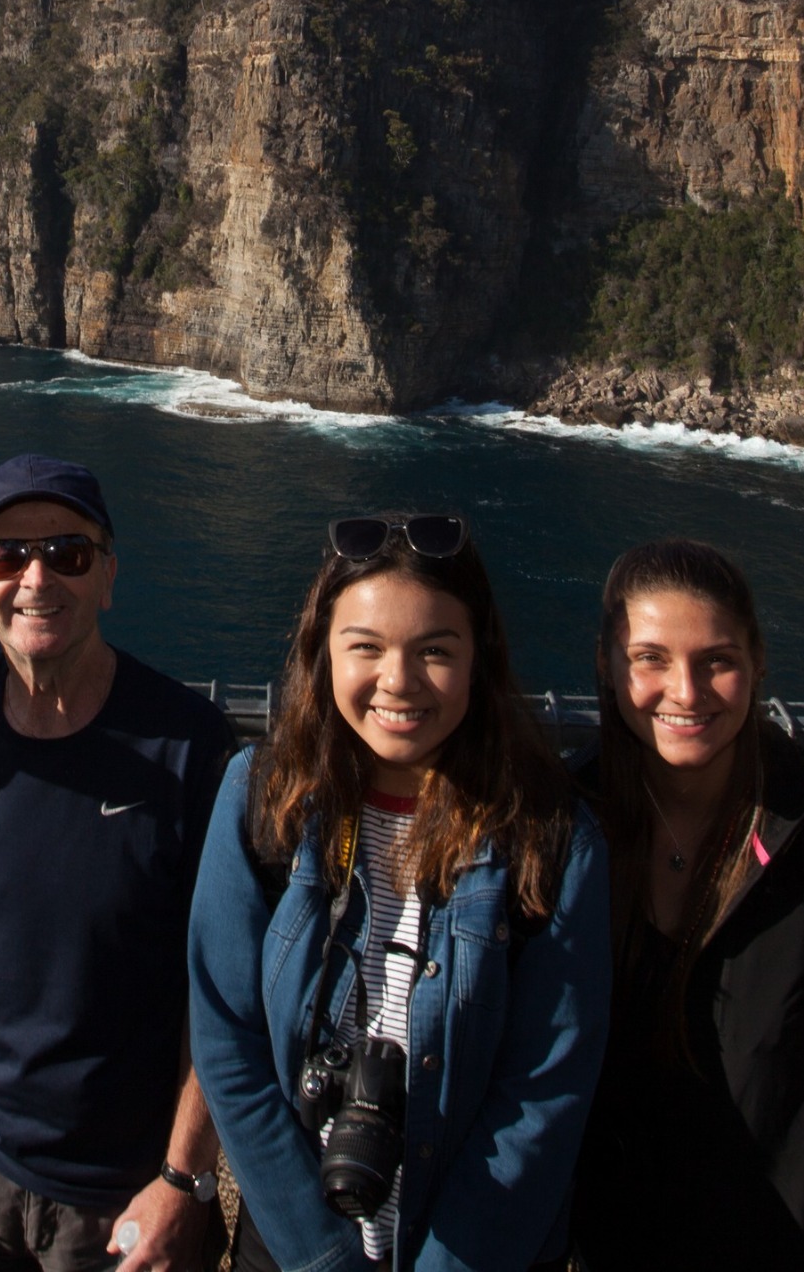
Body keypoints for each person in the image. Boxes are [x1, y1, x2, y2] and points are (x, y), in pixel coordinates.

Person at [187, 512, 611, 1272]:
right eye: (366, 648)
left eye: (435, 652)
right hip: (293, 1247)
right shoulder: (265, 800)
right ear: (323, 654)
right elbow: (228, 1045)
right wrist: (323, 1260)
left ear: (480, 658)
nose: (399, 681)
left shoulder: (548, 836)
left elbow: (544, 1095)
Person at [0, 455, 236, 1272]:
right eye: (6, 557)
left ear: (108, 577)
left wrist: (182, 1179)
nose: (36, 579)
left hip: (121, 1196)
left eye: (68, 554)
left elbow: (222, 980)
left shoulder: (191, 745)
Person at [572, 540, 804, 1272]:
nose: (687, 691)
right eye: (651, 659)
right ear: (608, 665)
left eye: (716, 661)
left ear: (758, 662)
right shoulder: (562, 828)